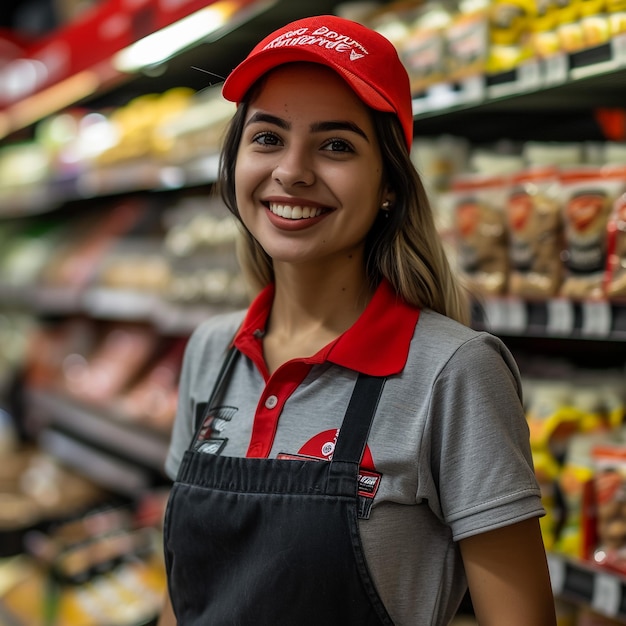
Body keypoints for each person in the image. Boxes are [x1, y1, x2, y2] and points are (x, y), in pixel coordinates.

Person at [158, 13, 556, 626]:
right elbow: (182, 592)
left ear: (389, 183)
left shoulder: (453, 371)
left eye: (336, 145)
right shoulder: (214, 351)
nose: (292, 170)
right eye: (267, 137)